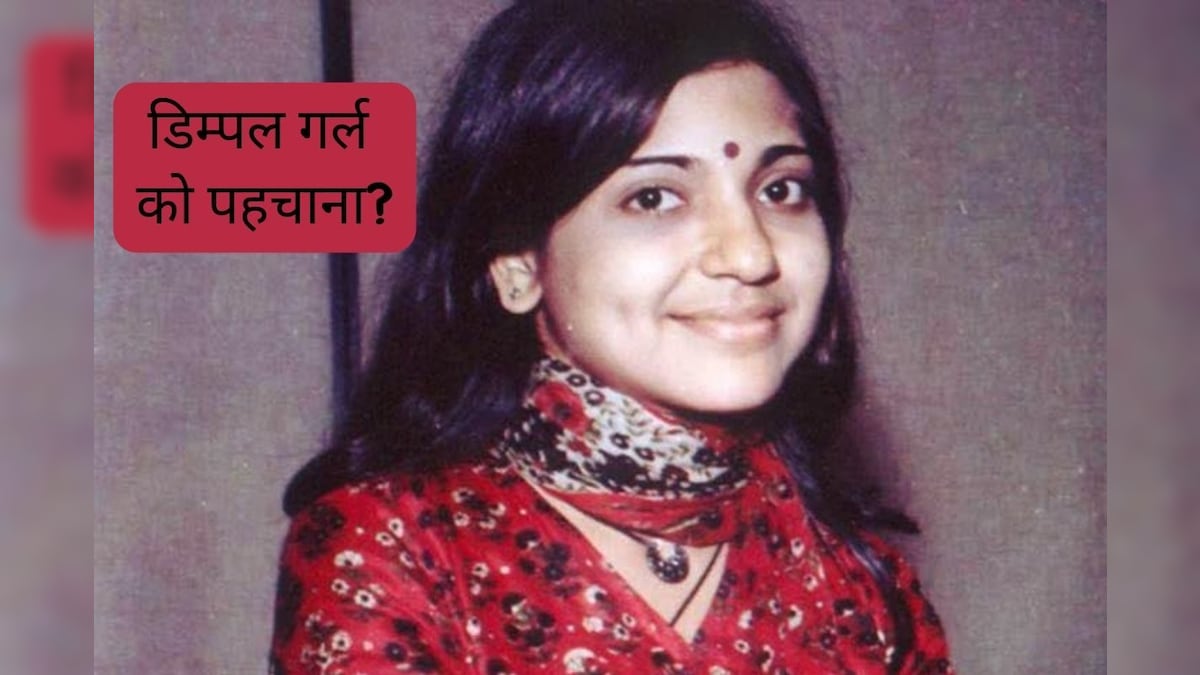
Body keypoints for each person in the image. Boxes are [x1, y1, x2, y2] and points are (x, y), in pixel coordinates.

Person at [270, 1, 952, 673]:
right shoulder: (395, 550)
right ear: (517, 264)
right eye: (654, 198)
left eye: (781, 190)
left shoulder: (866, 590)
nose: (750, 254)